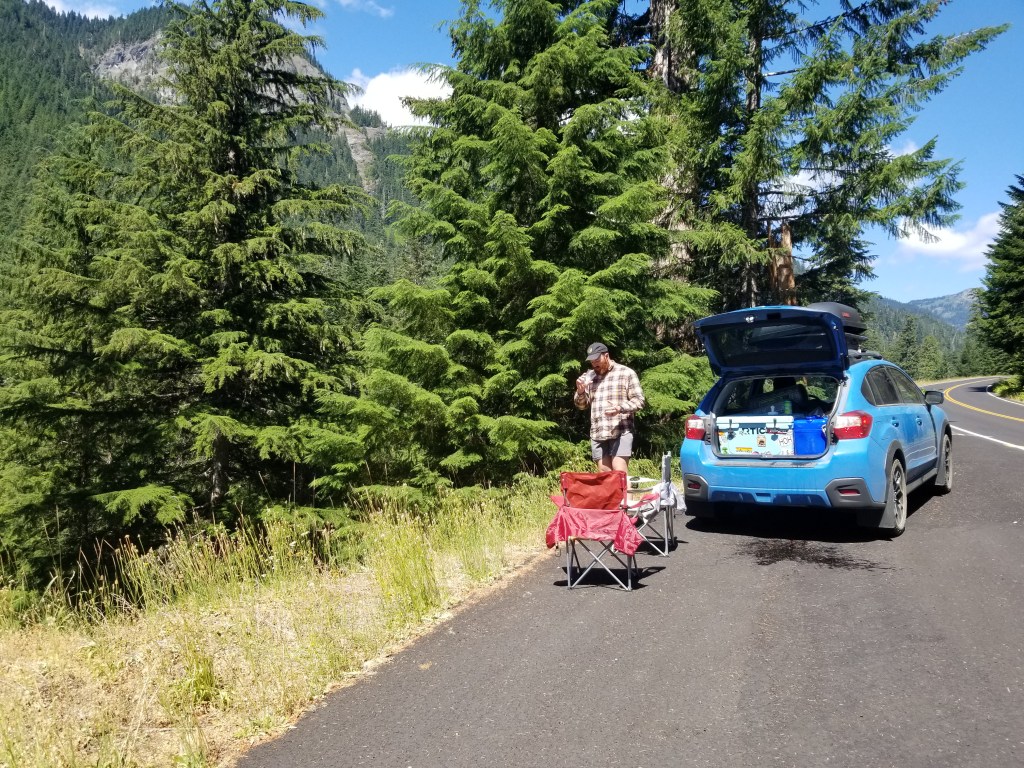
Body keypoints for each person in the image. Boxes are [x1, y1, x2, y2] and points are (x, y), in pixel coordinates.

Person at [574, 342, 645, 472]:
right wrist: (580, 391)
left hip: (620, 431)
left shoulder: (626, 373)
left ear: (606, 356)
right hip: (598, 433)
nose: (594, 364)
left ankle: (624, 487)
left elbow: (639, 400)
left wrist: (620, 408)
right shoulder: (589, 377)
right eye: (592, 362)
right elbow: (581, 406)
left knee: (619, 473)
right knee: (605, 476)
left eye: (597, 360)